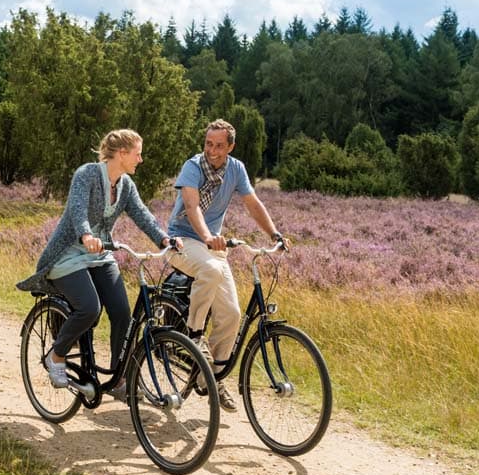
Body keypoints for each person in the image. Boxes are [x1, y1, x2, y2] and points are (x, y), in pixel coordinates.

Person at [17, 129, 177, 398]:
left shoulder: (126, 185)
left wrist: (164, 240)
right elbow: (77, 210)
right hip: (68, 254)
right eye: (138, 154)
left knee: (122, 312)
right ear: (122, 153)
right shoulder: (87, 174)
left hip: (100, 254)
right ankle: (56, 356)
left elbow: (142, 215)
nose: (141, 159)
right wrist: (86, 234)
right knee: (89, 307)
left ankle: (118, 378)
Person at [167, 119, 286, 412]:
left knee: (232, 315)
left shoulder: (236, 169)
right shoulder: (192, 167)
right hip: (182, 240)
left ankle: (212, 377)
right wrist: (208, 237)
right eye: (209, 143)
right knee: (209, 268)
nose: (212, 150)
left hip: (212, 247)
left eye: (219, 145)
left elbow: (253, 203)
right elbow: (192, 206)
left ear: (230, 147)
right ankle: (194, 336)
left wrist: (275, 234)